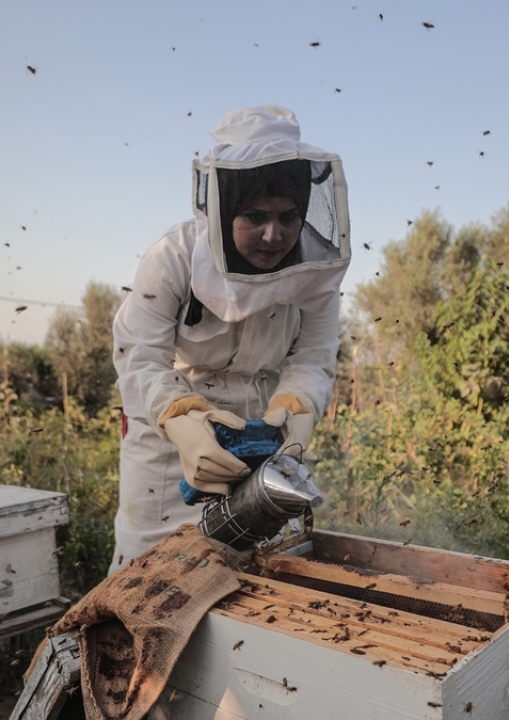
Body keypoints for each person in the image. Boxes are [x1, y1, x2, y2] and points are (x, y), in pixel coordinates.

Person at [109, 105, 351, 573]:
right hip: (166, 440)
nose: (272, 234)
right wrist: (178, 418)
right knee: (147, 574)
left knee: (245, 575)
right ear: (222, 211)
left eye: (289, 216)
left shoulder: (314, 275)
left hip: (258, 428)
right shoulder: (172, 258)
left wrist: (297, 405)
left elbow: (315, 357)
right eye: (255, 215)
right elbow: (140, 357)